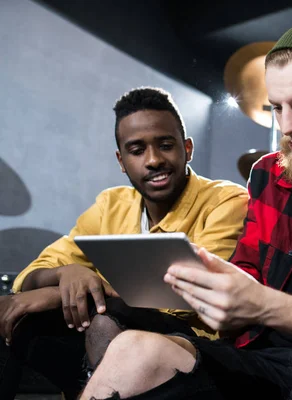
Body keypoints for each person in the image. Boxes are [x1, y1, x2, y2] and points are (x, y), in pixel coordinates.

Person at [78, 9, 292, 400]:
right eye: (277, 107)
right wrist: (211, 285)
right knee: (131, 348)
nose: (286, 125)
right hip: (256, 356)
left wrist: (260, 304)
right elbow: (247, 271)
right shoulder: (267, 173)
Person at [0, 87, 248, 399]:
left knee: (106, 320)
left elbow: (190, 292)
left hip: (194, 347)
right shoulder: (110, 203)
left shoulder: (227, 200)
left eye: (166, 145)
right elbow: (32, 275)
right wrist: (66, 274)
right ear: (121, 160)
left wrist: (57, 294)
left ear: (188, 148)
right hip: (113, 327)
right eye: (137, 150)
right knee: (12, 312)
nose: (154, 160)